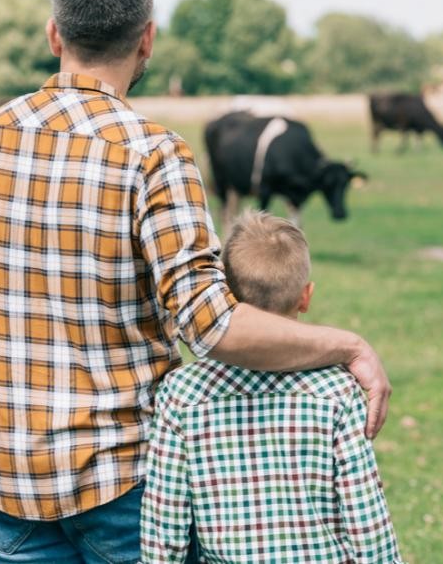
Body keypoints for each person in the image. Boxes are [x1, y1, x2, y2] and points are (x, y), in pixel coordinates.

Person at [0, 0, 391, 563]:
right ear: (148, 40)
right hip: (131, 490)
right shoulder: (154, 155)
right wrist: (348, 346)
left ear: (54, 33)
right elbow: (211, 323)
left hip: (13, 487)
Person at [142, 211, 405, 563]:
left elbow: (165, 521)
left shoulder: (181, 393)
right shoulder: (338, 392)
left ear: (226, 295)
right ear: (305, 297)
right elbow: (366, 518)